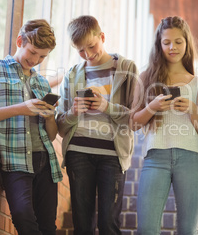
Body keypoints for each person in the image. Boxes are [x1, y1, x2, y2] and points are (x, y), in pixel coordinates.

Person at [0, 19, 62, 235]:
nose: (36, 60)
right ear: (20, 41)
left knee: (48, 227)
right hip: (14, 160)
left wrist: (49, 117)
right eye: (33, 52)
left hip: (45, 162)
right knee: (22, 217)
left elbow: (53, 134)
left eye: (43, 56)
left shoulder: (42, 83)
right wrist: (21, 108)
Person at [56, 15, 137, 235]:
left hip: (113, 154)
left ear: (102, 36)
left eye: (91, 46)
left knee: (109, 223)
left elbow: (136, 118)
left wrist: (106, 106)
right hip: (78, 153)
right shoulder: (72, 74)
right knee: (82, 225)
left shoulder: (127, 68)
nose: (88, 54)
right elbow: (60, 128)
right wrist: (73, 112)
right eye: (81, 50)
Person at [131, 16, 198, 234]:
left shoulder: (197, 83)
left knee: (188, 229)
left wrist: (192, 108)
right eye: (166, 42)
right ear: (159, 45)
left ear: (187, 43)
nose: (172, 47)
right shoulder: (146, 77)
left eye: (178, 42)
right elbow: (133, 123)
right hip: (156, 157)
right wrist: (152, 107)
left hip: (191, 158)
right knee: (146, 228)